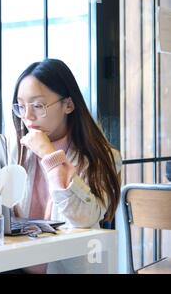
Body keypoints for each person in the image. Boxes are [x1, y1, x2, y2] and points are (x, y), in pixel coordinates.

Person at [11, 58, 122, 273]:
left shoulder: (103, 157)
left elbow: (84, 218)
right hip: (15, 266)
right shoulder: (17, 151)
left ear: (68, 105)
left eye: (38, 105)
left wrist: (50, 155)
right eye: (21, 106)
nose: (27, 116)